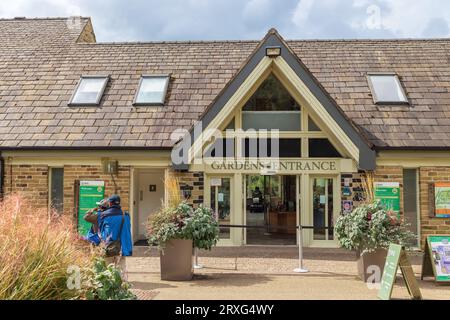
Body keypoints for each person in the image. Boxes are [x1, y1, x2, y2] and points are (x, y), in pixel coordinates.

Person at [98, 194, 132, 277]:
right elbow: (127, 230)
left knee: (108, 269)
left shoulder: (105, 216)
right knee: (121, 269)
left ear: (110, 203)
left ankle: (111, 287)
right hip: (123, 247)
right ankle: (122, 287)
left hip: (109, 246)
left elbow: (102, 232)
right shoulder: (126, 216)